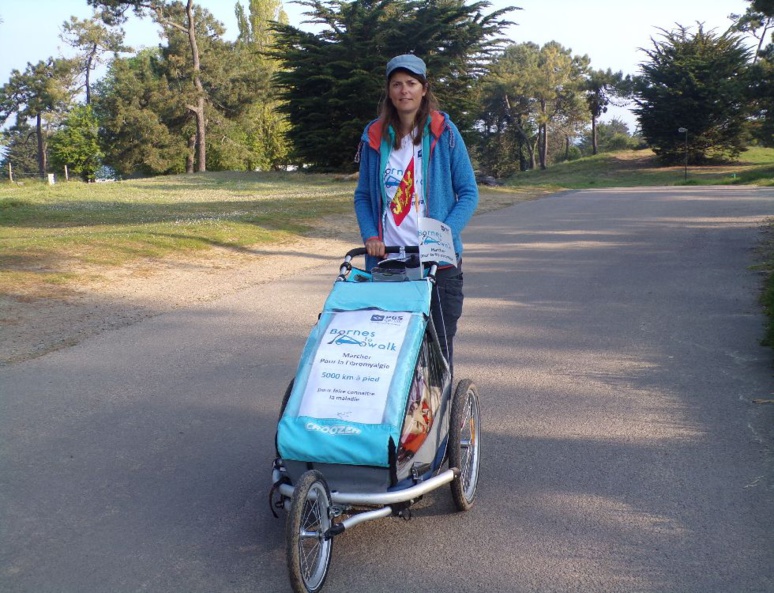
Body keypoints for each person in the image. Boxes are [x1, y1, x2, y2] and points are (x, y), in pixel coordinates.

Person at [353, 54, 478, 372]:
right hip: (390, 263)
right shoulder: (375, 137)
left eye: (411, 83)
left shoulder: (444, 133)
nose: (403, 90)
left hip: (438, 266)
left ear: (424, 89)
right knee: (387, 354)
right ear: (389, 91)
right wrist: (370, 235)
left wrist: (440, 237)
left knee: (436, 360)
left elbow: (468, 193)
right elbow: (364, 196)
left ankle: (435, 419)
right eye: (397, 84)